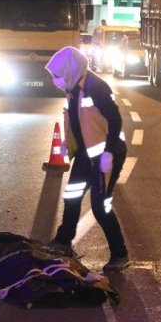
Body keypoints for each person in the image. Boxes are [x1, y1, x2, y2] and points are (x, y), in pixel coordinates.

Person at [44, 46, 130, 272]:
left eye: (58, 75)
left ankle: (120, 254)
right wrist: (69, 145)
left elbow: (115, 120)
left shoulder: (97, 88)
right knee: (72, 195)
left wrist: (109, 154)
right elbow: (77, 120)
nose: (56, 80)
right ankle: (64, 241)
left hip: (106, 154)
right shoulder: (74, 88)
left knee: (100, 206)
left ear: (70, 70)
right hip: (86, 153)